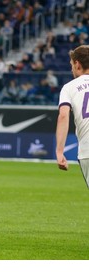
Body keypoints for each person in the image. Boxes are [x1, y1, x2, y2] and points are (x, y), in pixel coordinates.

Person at [56, 45, 89, 189]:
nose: (71, 69)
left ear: (77, 63)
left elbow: (63, 116)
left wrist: (59, 151)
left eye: (71, 65)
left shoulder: (69, 87)